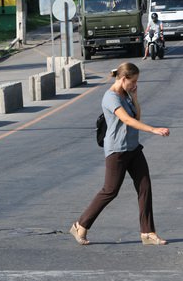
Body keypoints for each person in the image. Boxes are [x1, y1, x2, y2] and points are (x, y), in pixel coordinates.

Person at [70, 62, 170, 246]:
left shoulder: (126, 94)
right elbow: (126, 119)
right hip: (117, 150)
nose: (135, 84)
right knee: (110, 190)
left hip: (133, 147)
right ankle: (80, 225)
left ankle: (147, 232)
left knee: (144, 187)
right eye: (133, 82)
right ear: (123, 79)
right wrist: (153, 130)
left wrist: (135, 97)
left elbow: (136, 116)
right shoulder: (110, 97)